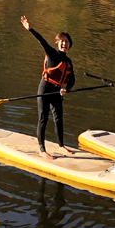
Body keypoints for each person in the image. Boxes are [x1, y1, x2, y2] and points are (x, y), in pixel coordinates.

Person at [20, 15, 75, 160]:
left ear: (69, 45)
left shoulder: (69, 62)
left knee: (58, 119)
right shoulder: (52, 53)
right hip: (45, 88)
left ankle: (61, 146)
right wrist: (30, 29)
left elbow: (72, 81)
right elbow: (41, 40)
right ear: (57, 43)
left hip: (57, 91)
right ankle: (42, 150)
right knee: (43, 118)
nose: (64, 44)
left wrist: (66, 89)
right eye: (62, 41)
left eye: (67, 42)